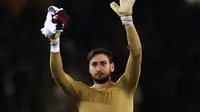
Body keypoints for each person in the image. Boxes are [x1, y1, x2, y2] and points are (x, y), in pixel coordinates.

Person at [41, 0, 142, 111]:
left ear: (112, 67)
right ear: (89, 69)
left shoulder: (125, 87)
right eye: (94, 64)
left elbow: (136, 54)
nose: (98, 68)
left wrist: (127, 21)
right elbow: (57, 73)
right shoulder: (81, 93)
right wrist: (54, 42)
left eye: (103, 63)